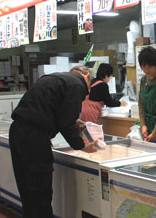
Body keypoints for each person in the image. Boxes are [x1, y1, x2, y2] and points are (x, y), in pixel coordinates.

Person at [9, 66, 99, 218]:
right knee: (40, 193)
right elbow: (65, 122)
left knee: (27, 191)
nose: (88, 90)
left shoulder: (55, 78)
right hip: (34, 138)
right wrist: (82, 146)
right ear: (87, 76)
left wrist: (73, 121)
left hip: (17, 131)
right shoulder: (77, 85)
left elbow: (53, 112)